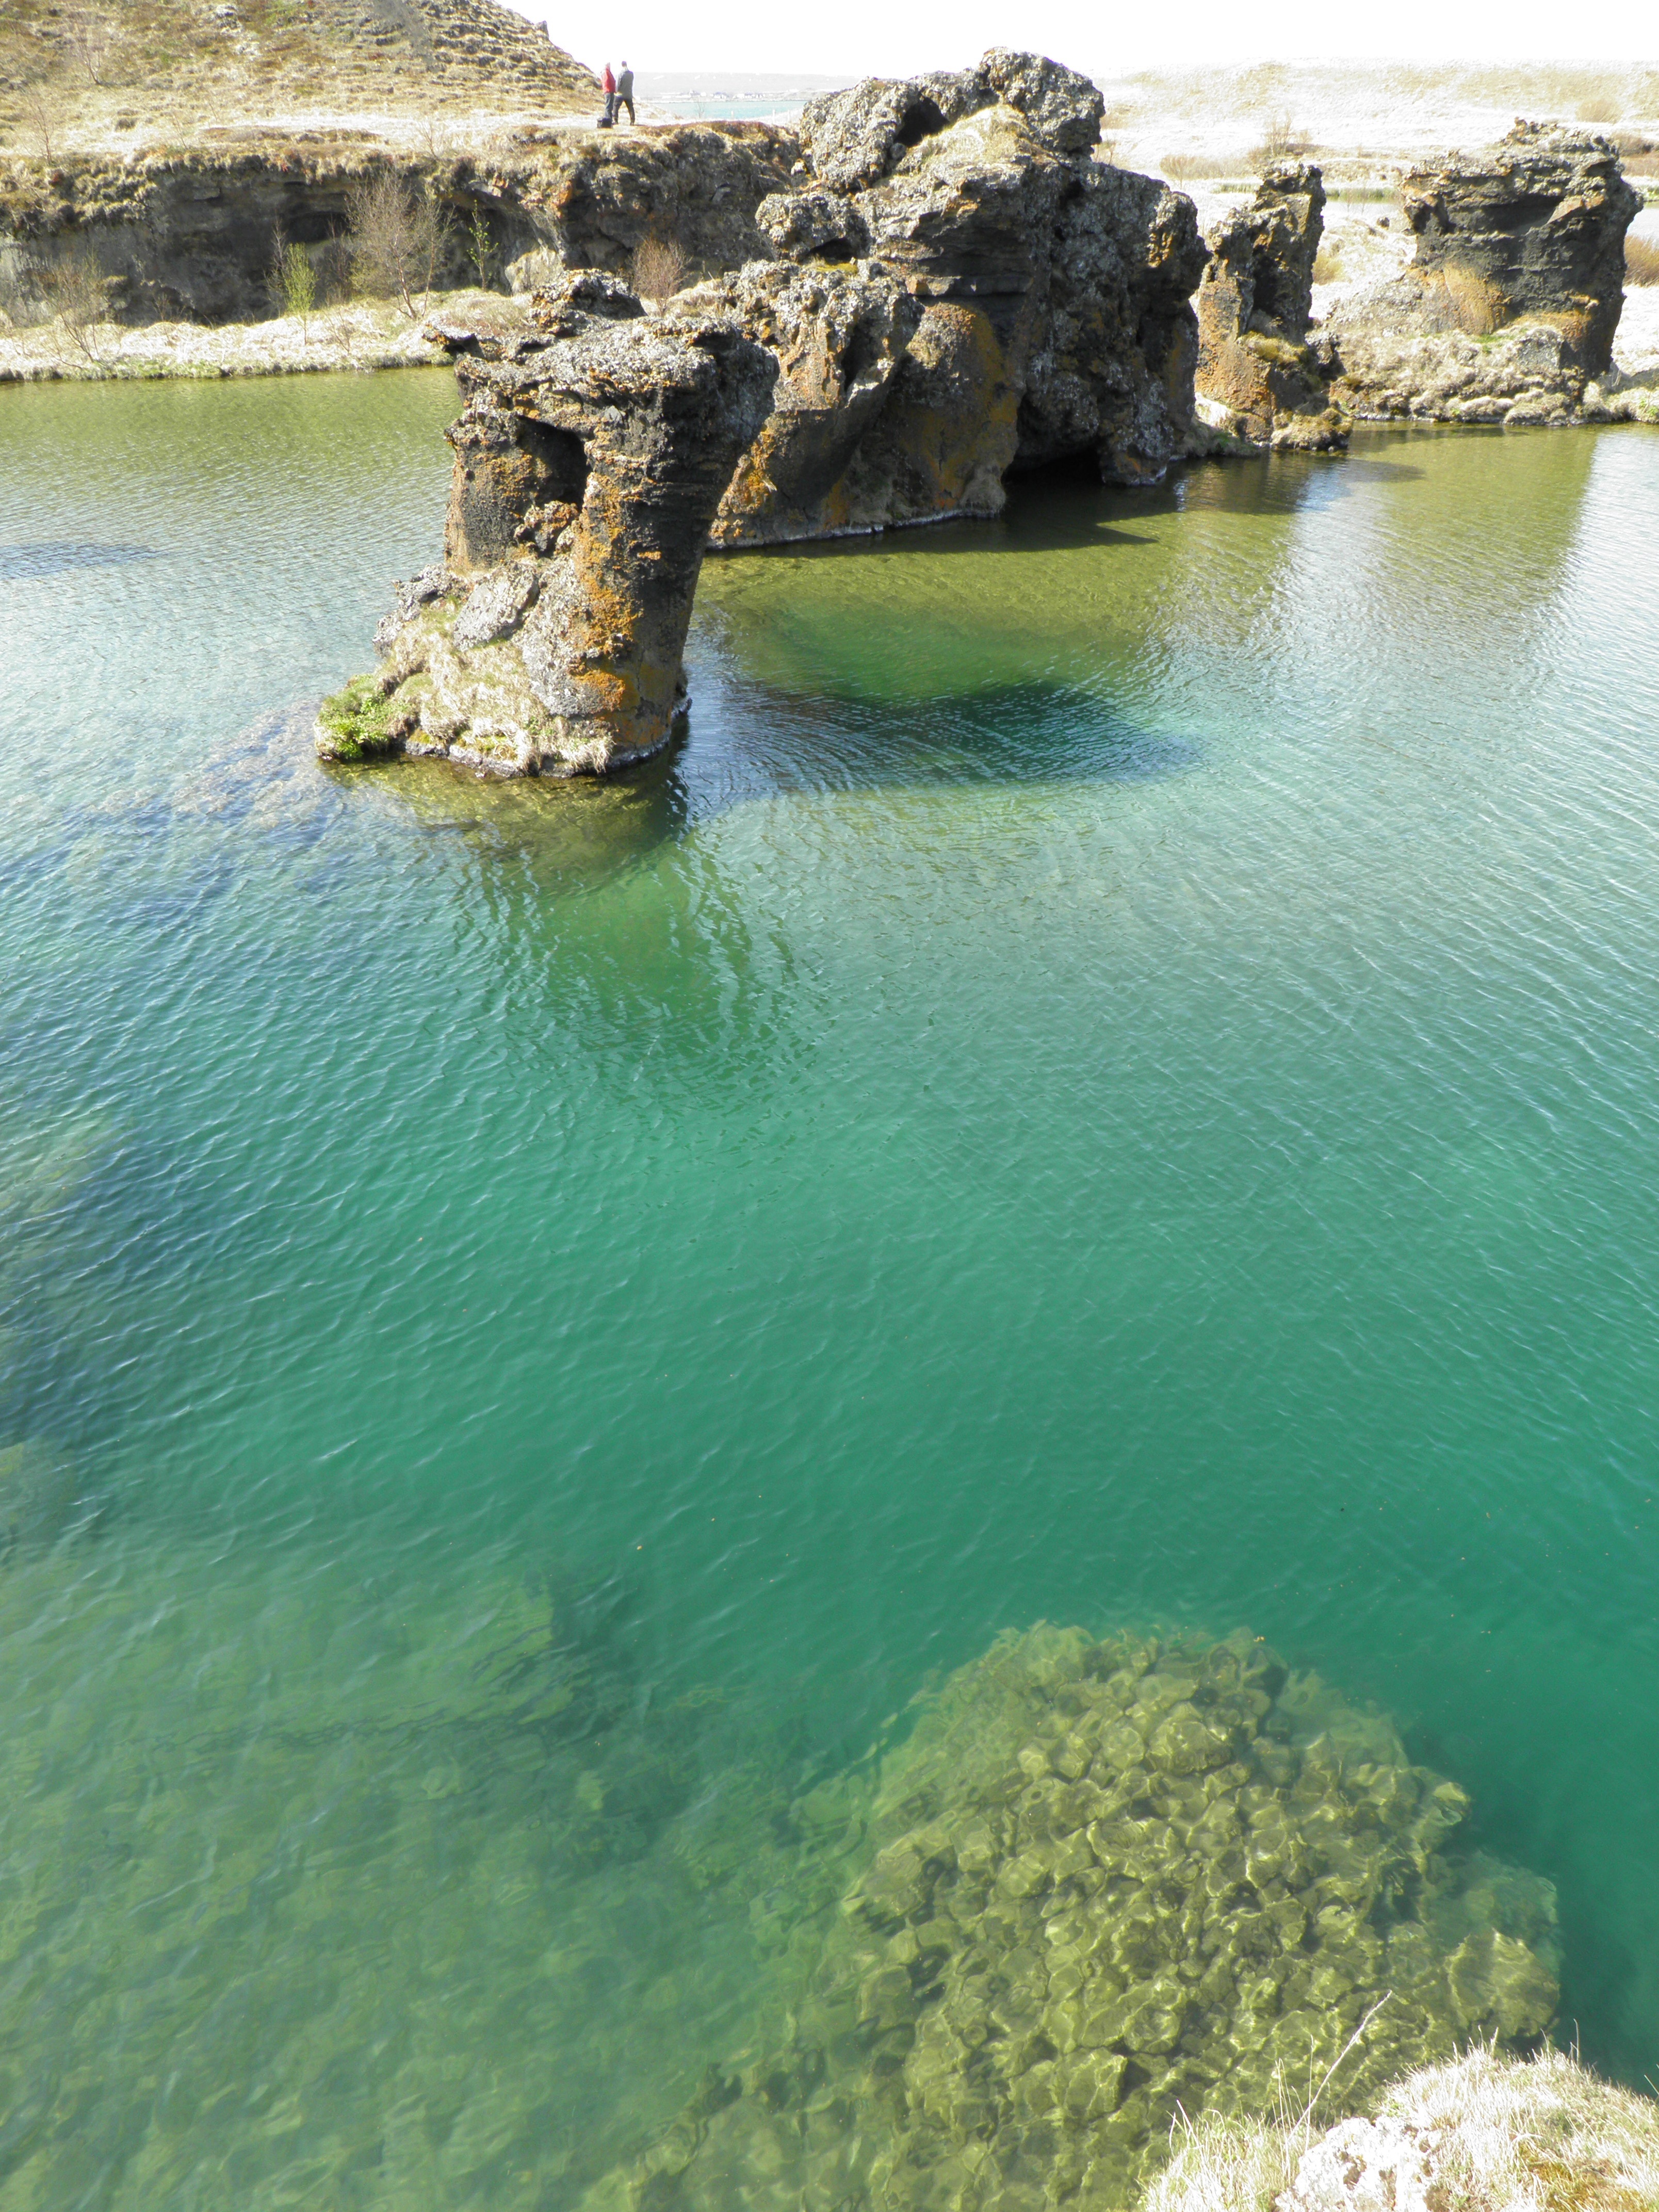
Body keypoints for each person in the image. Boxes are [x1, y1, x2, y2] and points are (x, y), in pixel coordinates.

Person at [615, 59, 635, 125]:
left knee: (616, 106)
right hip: (629, 94)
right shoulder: (631, 74)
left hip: (621, 94)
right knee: (631, 108)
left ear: (622, 65)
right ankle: (632, 121)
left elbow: (618, 84)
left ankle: (615, 120)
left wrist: (617, 91)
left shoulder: (621, 74)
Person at [600, 59, 615, 126]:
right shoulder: (606, 72)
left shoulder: (607, 72)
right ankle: (608, 120)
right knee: (608, 106)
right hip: (609, 91)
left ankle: (609, 120)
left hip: (610, 90)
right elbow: (607, 82)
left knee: (610, 106)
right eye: (609, 65)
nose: (610, 66)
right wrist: (612, 88)